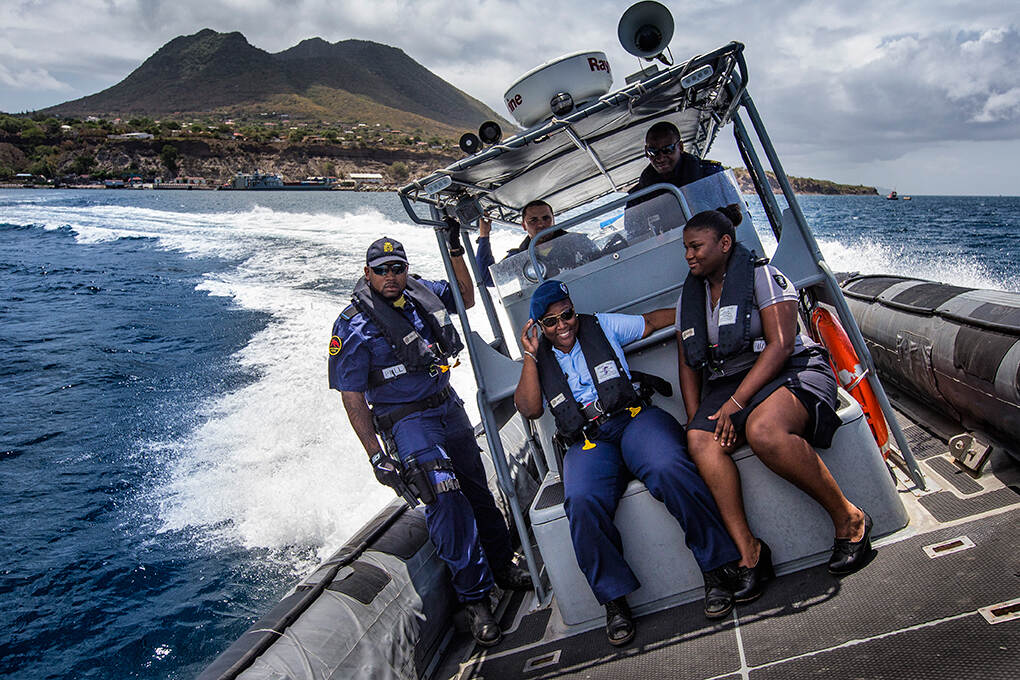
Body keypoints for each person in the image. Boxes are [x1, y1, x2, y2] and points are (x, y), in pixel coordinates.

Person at [328, 235, 532, 648]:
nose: (391, 276)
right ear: (367, 274)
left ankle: (501, 566)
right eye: (382, 270)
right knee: (446, 499)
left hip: (448, 408)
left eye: (397, 268)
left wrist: (456, 246)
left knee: (476, 488)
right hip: (408, 422)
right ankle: (475, 600)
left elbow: (467, 296)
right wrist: (376, 455)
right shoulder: (351, 325)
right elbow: (351, 395)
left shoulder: (423, 294)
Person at [514, 280, 740, 647]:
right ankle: (615, 601)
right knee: (582, 501)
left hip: (634, 420)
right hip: (588, 441)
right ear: (539, 325)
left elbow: (650, 322)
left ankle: (716, 568)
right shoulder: (538, 358)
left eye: (567, 315)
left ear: (574, 309)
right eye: (551, 322)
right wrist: (528, 355)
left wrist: (697, 314)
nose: (563, 326)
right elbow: (530, 408)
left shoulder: (602, 325)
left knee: (668, 467)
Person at [675, 204, 873, 601]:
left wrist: (735, 402)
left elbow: (782, 345)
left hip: (791, 369)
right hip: (731, 383)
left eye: (696, 246)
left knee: (763, 431)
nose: (689, 255)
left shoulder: (763, 276)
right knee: (698, 442)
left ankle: (851, 521)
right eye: (686, 248)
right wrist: (697, 417)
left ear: (725, 243)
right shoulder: (690, 297)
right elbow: (688, 362)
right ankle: (750, 552)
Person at [624, 121, 724, 241]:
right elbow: (635, 236)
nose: (660, 158)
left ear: (680, 147)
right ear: (646, 151)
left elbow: (734, 215)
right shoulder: (638, 196)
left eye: (667, 150)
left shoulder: (710, 175)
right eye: (653, 152)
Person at [476, 199, 599, 287]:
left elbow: (601, 263)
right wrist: (484, 236)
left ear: (553, 220)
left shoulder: (577, 242)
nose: (541, 224)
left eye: (546, 218)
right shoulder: (520, 258)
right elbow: (488, 279)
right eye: (533, 220)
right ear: (524, 226)